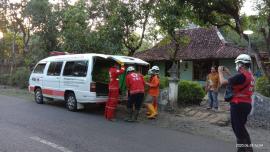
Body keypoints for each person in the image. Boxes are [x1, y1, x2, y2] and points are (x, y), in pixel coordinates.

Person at [218, 54, 254, 152]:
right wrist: (229, 74)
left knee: (237, 128)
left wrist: (220, 72)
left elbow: (223, 82)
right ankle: (248, 149)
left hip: (238, 104)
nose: (237, 65)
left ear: (241, 64)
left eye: (237, 63)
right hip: (246, 104)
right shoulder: (249, 76)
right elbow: (235, 81)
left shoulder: (241, 76)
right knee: (241, 127)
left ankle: (242, 149)